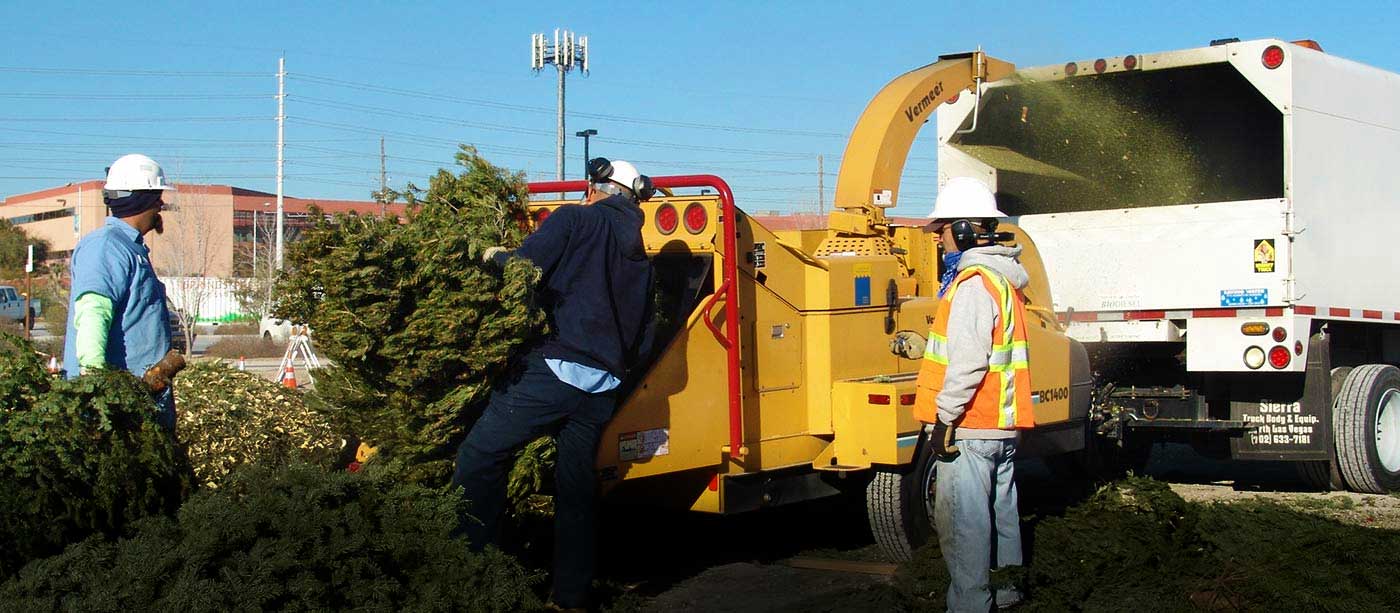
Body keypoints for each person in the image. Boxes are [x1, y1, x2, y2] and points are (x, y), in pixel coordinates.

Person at [452, 157, 655, 610]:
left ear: (596, 188)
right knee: (576, 490)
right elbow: (645, 335)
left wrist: (491, 256)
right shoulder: (639, 255)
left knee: (480, 456)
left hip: (556, 371)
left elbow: (523, 268)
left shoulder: (574, 220)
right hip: (602, 387)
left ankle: (468, 573)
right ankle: (571, 597)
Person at [912, 176, 1035, 612]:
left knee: (965, 529)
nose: (939, 240)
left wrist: (944, 419)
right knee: (1001, 518)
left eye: (942, 231)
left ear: (963, 230)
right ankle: (1007, 593)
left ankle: (970, 606)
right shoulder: (1004, 281)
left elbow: (967, 363)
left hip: (971, 427)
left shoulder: (973, 286)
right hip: (1000, 428)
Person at [62, 153, 177, 429]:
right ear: (141, 199)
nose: (160, 203)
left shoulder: (131, 249)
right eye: (156, 196)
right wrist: (97, 390)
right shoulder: (106, 247)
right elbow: (92, 315)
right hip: (115, 414)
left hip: (141, 405)